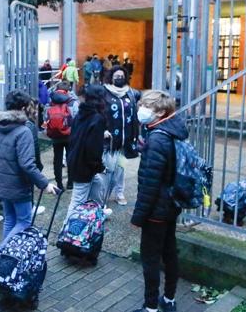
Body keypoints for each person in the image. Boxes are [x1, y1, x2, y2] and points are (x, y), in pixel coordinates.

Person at [0, 89, 58, 270]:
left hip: (2, 181)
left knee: (10, 220)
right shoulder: (23, 131)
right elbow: (27, 164)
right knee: (24, 221)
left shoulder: (0, 126)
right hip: (18, 185)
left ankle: (4, 260)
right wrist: (44, 184)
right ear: (24, 107)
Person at [131, 90, 185, 312]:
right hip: (172, 203)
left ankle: (151, 306)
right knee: (170, 251)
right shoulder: (173, 131)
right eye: (141, 104)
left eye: (147, 106)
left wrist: (138, 216)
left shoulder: (157, 139)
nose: (141, 110)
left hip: (156, 210)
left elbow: (149, 184)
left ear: (161, 112)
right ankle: (169, 299)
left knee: (151, 258)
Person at [64, 85, 107, 220]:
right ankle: (67, 231)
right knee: (78, 200)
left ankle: (97, 214)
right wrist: (98, 166)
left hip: (76, 160)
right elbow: (93, 149)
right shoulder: (97, 118)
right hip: (84, 166)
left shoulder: (81, 114)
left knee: (97, 184)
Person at [103, 66, 141, 207]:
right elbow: (98, 112)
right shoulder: (104, 92)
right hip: (110, 141)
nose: (119, 78)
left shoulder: (131, 93)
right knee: (109, 169)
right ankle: (104, 195)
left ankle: (119, 193)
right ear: (111, 77)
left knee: (121, 169)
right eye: (116, 76)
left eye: (122, 76)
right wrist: (102, 130)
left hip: (126, 140)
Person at [45, 81, 79, 191]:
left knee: (57, 159)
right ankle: (70, 183)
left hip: (56, 136)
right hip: (70, 136)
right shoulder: (73, 102)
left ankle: (59, 183)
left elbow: (46, 118)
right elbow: (77, 118)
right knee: (71, 159)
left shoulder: (51, 102)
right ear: (68, 90)